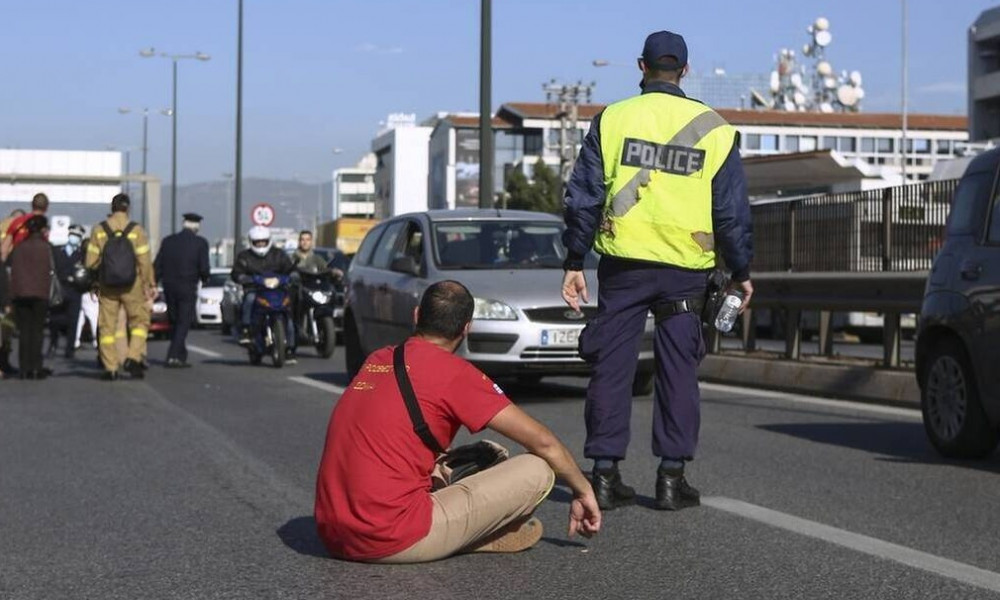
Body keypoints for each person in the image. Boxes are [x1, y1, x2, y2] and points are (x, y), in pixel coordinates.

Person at [560, 31, 754, 511]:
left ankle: (604, 476)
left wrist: (574, 260)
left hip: (624, 266)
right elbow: (730, 212)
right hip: (686, 271)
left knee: (612, 367)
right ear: (685, 71)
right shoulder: (715, 128)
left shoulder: (613, 118)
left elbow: (583, 196)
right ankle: (671, 478)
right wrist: (741, 271)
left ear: (641, 66)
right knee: (678, 372)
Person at [315, 280, 601, 563]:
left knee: (487, 453)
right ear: (467, 328)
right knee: (538, 469)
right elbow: (543, 442)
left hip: (332, 533)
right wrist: (583, 490)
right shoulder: (455, 372)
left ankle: (455, 529)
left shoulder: (378, 357)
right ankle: (472, 535)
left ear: (416, 316)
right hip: (390, 537)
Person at [85, 194, 156, 380]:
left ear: (112, 207)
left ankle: (111, 368)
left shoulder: (99, 230)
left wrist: (95, 282)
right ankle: (133, 357)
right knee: (140, 322)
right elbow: (145, 261)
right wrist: (149, 284)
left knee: (107, 327)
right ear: (128, 208)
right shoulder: (137, 230)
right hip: (132, 285)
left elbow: (90, 262)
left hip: (108, 286)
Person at [230, 225, 297, 362]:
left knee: (288, 313)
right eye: (257, 242)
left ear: (269, 240)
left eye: (263, 241)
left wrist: (293, 276)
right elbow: (236, 273)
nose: (261, 244)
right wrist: (243, 278)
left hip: (277, 291)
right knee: (249, 299)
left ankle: (290, 346)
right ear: (251, 242)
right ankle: (246, 329)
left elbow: (289, 269)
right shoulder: (245, 256)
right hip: (256, 289)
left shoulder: (279, 254)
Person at [154, 212, 210, 368]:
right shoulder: (200, 243)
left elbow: (157, 265)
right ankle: (173, 355)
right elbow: (204, 268)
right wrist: (205, 279)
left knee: (174, 321)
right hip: (187, 286)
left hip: (169, 286)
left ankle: (180, 354)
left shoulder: (168, 241)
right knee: (184, 321)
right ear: (197, 226)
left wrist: (153, 283)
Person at [7, 215, 52, 379]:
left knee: (24, 331)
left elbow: (13, 271)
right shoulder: (46, 248)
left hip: (20, 294)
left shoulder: (19, 247)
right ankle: (36, 367)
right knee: (37, 331)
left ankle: (24, 368)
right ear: (42, 229)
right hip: (40, 294)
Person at [49, 224, 88, 359]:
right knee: (55, 319)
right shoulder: (57, 251)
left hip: (75, 290)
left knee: (73, 321)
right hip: (59, 289)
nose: (74, 238)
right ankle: (53, 344)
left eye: (77, 236)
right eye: (73, 235)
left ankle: (69, 349)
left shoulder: (82, 255)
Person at [1, 194, 48, 262]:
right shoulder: (44, 224)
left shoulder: (18, 221)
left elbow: (5, 247)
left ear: (32, 205)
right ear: (46, 207)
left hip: (17, 263)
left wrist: (2, 265)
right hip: (37, 264)